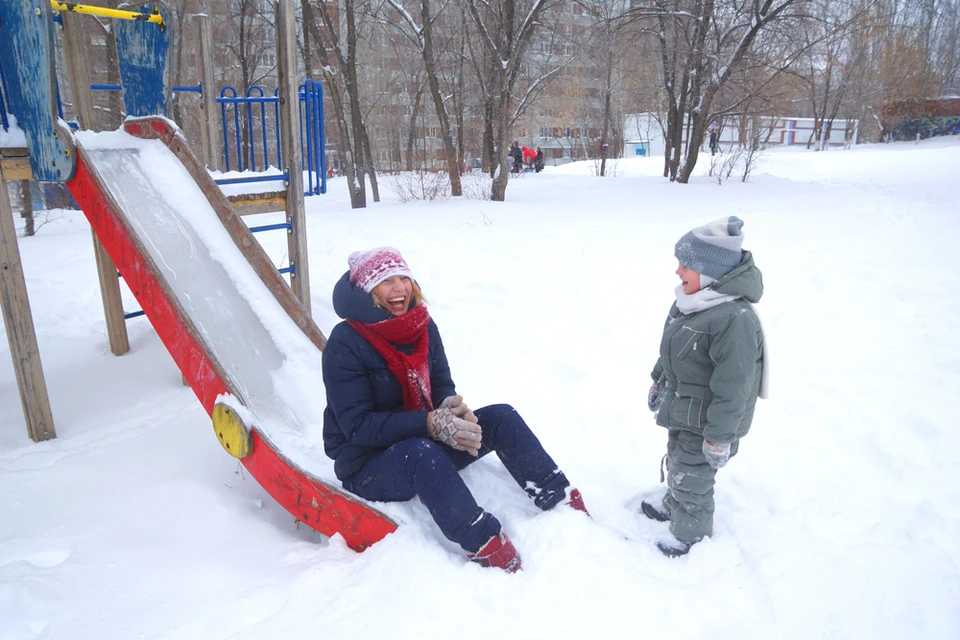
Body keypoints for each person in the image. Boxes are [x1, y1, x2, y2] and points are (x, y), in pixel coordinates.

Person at [322, 247, 589, 573]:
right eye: (387, 281)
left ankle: (561, 501)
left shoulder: (420, 324)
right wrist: (430, 423)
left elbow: (440, 381)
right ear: (368, 291)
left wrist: (451, 409)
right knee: (420, 453)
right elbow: (358, 427)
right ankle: (485, 544)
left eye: (404, 278)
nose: (400, 289)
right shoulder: (345, 342)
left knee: (501, 417)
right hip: (367, 466)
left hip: (424, 443)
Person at [641, 217, 767, 557]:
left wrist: (719, 437)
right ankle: (674, 503)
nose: (677, 272)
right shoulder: (690, 302)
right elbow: (671, 351)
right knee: (679, 461)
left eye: (686, 265)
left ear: (710, 272)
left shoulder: (733, 320)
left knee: (693, 476)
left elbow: (735, 388)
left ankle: (690, 535)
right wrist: (659, 380)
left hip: (711, 422)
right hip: (684, 409)